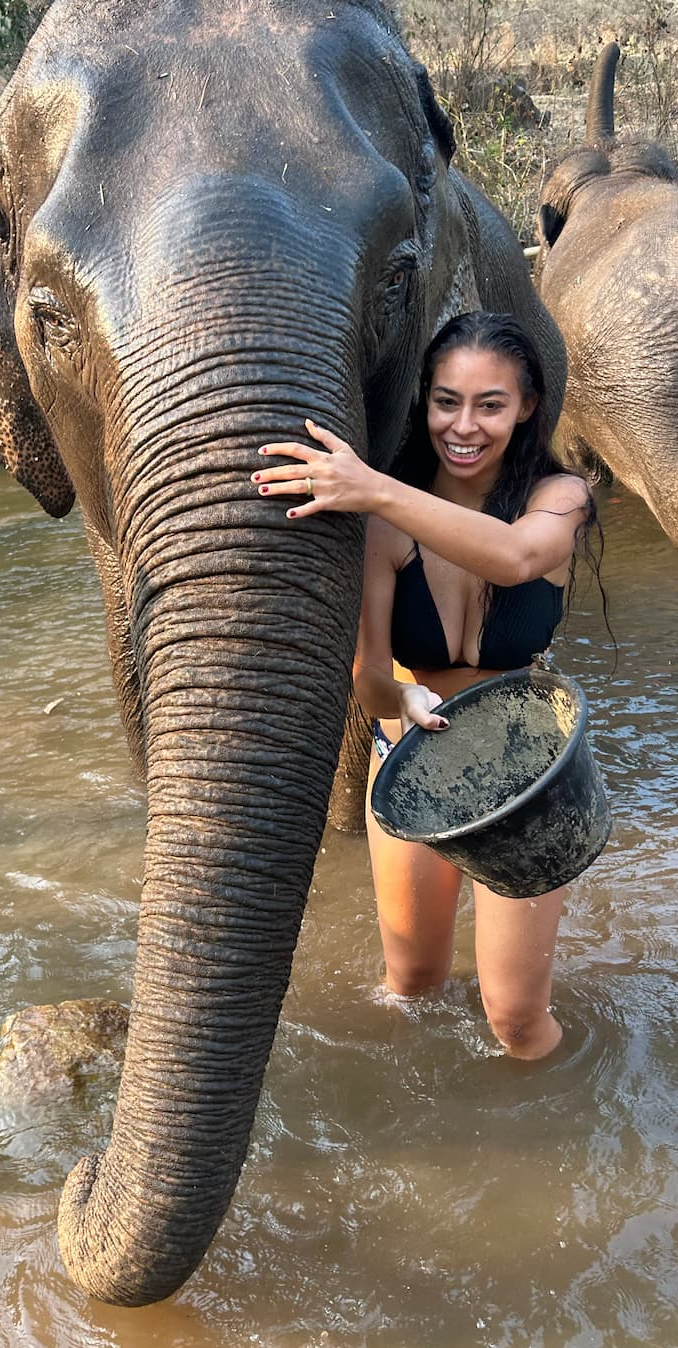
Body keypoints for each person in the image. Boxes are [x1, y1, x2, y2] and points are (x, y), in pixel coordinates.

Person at [251, 312, 600, 1060]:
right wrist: (399, 701)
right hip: (412, 754)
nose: (463, 427)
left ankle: (552, 1150)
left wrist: (373, 488)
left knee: (514, 1017)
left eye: (490, 405)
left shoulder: (560, 496)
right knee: (410, 981)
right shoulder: (383, 526)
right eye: (446, 402)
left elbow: (513, 558)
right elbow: (370, 679)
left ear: (529, 407)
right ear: (424, 401)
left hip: (523, 773)